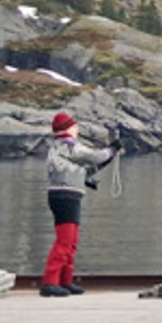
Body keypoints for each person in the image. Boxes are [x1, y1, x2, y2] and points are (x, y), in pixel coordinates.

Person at [36, 112, 116, 296]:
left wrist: (109, 155)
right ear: (67, 128)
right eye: (74, 125)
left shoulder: (58, 147)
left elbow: (88, 167)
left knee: (71, 241)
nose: (77, 129)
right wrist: (111, 151)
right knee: (65, 240)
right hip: (65, 196)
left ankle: (64, 281)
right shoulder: (67, 145)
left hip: (67, 196)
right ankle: (50, 282)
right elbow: (94, 157)